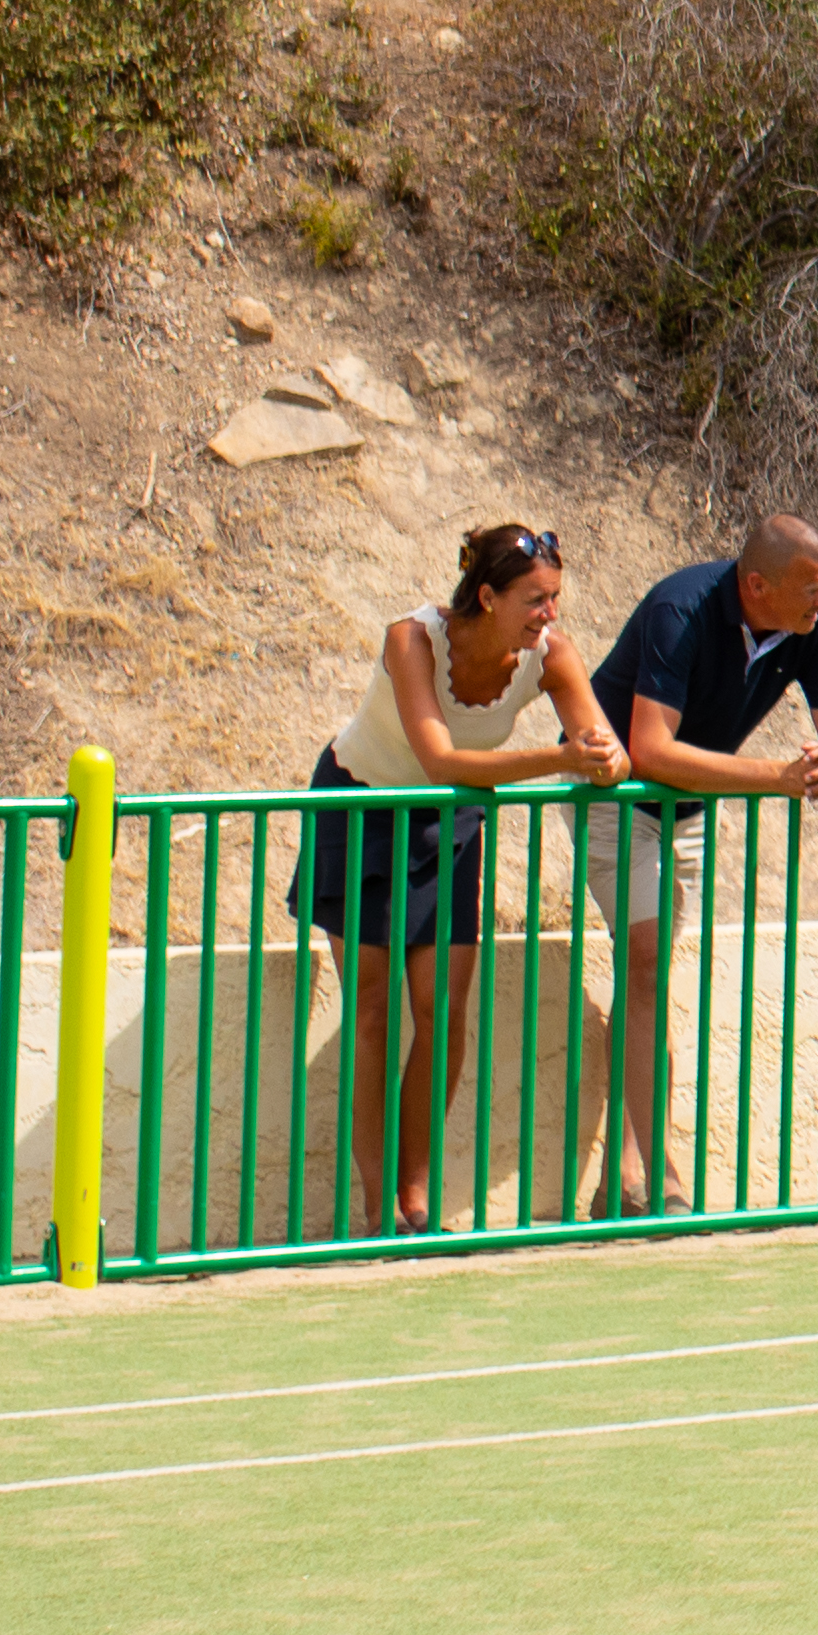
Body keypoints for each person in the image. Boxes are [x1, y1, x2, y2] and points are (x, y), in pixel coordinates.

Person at [294, 522, 623, 1234]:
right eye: (536, 599)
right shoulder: (410, 639)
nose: (550, 614)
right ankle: (379, 1208)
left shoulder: (551, 654)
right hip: (362, 807)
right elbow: (439, 758)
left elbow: (608, 748)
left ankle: (417, 1201)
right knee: (375, 1012)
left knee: (442, 1015)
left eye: (555, 597)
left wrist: (602, 756)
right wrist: (559, 756)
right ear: (486, 595)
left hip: (450, 824)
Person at [580, 518, 818, 1220]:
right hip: (617, 788)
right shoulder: (683, 607)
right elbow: (647, 748)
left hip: (692, 803)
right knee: (643, 961)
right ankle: (661, 1177)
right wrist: (775, 775)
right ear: (757, 585)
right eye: (810, 590)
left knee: (650, 973)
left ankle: (620, 1176)